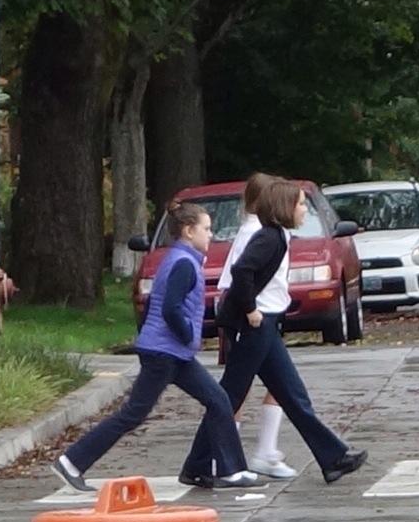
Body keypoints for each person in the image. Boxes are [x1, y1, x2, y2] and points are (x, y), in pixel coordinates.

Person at [52, 203, 264, 492]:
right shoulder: (183, 263)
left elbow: (157, 302)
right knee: (133, 413)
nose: (211, 234)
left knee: (218, 400)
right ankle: (71, 462)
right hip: (165, 353)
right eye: (206, 228)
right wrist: (187, 332)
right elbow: (169, 308)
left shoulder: (180, 259)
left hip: (172, 352)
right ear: (189, 232)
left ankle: (218, 470)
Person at [181, 177, 368, 486]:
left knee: (293, 396)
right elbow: (242, 271)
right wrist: (251, 308)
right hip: (255, 325)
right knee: (229, 395)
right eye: (300, 205)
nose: (304, 211)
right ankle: (200, 463)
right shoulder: (269, 237)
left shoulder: (277, 235)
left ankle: (333, 457)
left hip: (266, 325)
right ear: (284, 207)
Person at [220, 172, 296, 480]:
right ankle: (227, 456)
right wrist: (250, 309)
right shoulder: (257, 233)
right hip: (254, 317)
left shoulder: (269, 232)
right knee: (237, 386)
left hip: (268, 315)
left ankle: (264, 452)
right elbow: (241, 274)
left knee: (277, 385)